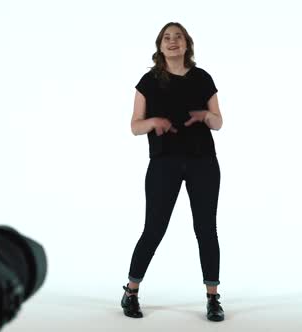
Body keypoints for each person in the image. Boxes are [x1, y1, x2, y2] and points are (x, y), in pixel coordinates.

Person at [121, 22, 225, 322]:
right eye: (167, 38)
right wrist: (153, 122)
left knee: (206, 229)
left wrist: (206, 115)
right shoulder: (148, 81)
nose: (172, 42)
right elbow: (134, 127)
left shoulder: (203, 78)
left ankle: (213, 297)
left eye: (178, 37)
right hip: (164, 163)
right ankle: (131, 292)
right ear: (159, 45)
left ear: (187, 43)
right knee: (154, 228)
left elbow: (219, 122)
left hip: (202, 162)